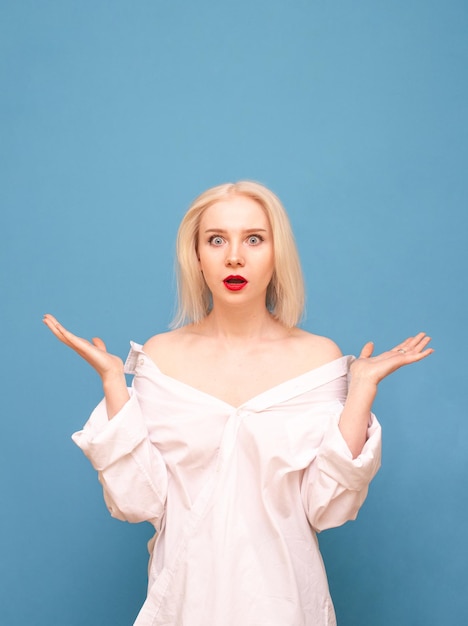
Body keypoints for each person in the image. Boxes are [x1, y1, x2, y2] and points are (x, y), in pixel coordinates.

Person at [43, 181, 433, 626]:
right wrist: (116, 382)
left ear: (276, 253)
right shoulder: (162, 357)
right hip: (184, 604)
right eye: (216, 240)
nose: (234, 256)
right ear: (196, 257)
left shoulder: (319, 359)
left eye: (254, 239)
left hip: (287, 603)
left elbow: (327, 506)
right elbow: (140, 502)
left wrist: (360, 389)